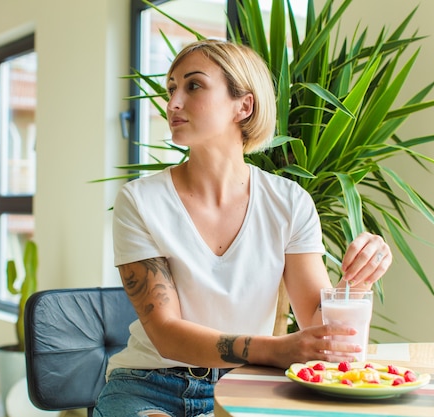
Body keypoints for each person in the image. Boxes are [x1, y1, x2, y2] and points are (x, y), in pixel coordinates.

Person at [94, 39, 391, 417]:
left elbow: (319, 324)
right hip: (149, 385)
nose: (172, 104)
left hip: (247, 386)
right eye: (171, 89)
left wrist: (360, 278)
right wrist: (275, 349)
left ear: (244, 105)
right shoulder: (139, 200)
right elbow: (166, 333)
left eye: (193, 85)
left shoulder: (290, 202)